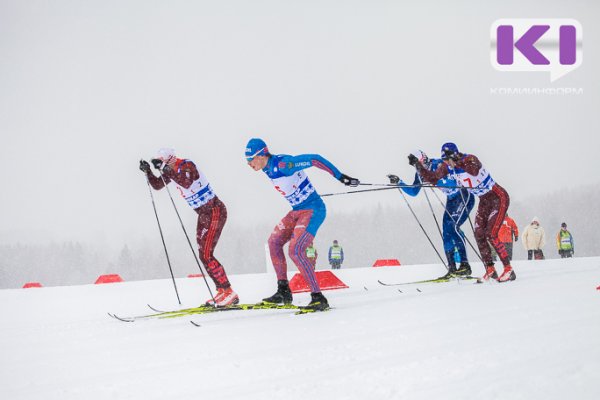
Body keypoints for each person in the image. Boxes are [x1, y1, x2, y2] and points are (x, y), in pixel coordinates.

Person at [245, 138, 359, 311]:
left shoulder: (283, 164)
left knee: (295, 250)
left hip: (314, 210)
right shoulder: (266, 169)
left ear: (261, 154)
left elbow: (315, 159)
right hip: (297, 211)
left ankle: (318, 297)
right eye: (246, 161)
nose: (249, 164)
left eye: (250, 159)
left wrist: (341, 177)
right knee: (273, 242)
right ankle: (283, 291)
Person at [139, 148, 238, 306]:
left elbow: (186, 182)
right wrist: (149, 172)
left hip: (214, 211)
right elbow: (158, 185)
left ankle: (229, 292)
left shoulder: (186, 165)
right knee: (203, 254)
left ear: (170, 159)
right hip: (204, 214)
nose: (163, 166)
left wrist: (164, 168)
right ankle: (222, 291)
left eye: (164, 162)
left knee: (206, 254)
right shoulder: (171, 170)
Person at [413, 142, 516, 282]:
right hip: (484, 201)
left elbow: (473, 170)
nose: (446, 163)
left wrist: (456, 162)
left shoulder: (470, 159)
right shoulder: (446, 166)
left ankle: (508, 270)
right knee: (479, 234)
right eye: (444, 160)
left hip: (498, 197)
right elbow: (433, 178)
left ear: (454, 156)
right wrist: (418, 166)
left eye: (447, 160)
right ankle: (490, 270)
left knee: (491, 234)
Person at [388, 150, 475, 278]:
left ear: (424, 159)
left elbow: (451, 182)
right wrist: (399, 182)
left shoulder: (439, 164)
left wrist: (434, 180)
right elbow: (414, 191)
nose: (418, 166)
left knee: (453, 227)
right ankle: (452, 268)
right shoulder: (420, 173)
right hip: (451, 200)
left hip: (463, 195)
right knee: (446, 232)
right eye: (415, 164)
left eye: (418, 163)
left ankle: (465, 265)